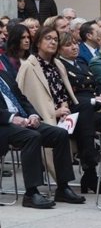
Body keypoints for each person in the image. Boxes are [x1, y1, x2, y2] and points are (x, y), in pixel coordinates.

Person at [17, 27, 101, 194]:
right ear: (38, 42)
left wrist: (64, 106)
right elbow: (26, 103)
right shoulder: (29, 67)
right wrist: (56, 112)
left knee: (87, 110)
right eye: (48, 38)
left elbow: (65, 94)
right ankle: (88, 168)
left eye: (55, 39)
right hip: (44, 117)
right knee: (85, 110)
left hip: (65, 112)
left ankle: (89, 170)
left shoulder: (57, 64)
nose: (53, 42)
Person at [0, 68, 85, 209]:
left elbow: (22, 99)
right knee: (32, 137)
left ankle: (63, 187)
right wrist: (12, 118)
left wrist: (33, 115)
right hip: (4, 125)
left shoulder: (3, 75)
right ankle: (31, 193)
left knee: (60, 134)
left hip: (23, 121)